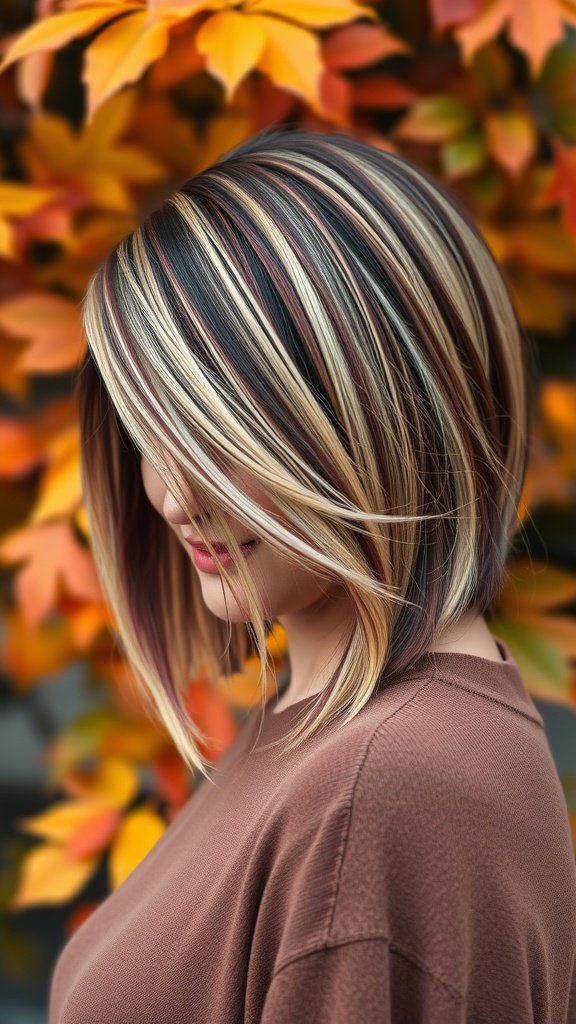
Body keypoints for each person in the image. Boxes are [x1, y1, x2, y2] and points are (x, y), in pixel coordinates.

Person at [50, 126, 576, 1022]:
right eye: (153, 433)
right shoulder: (341, 732)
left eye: (220, 433)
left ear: (382, 413)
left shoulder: (387, 788)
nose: (173, 497)